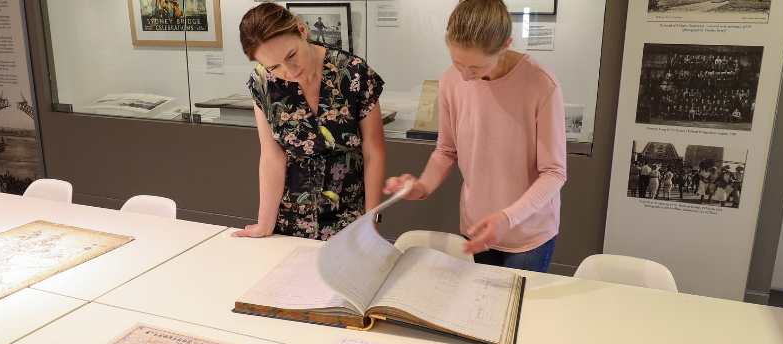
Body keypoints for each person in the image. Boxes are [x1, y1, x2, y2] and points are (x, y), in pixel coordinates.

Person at [382, 0, 566, 273]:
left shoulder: (541, 85)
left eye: (476, 68)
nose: (466, 78)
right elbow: (446, 150)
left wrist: (507, 217)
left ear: (505, 46)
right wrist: (422, 186)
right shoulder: (449, 82)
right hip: (477, 228)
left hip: (528, 234)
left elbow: (554, 172)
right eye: (457, 63)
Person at [231, 2, 387, 240]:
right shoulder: (263, 82)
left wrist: (372, 219)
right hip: (289, 219)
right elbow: (272, 157)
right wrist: (265, 223)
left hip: (349, 216)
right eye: (274, 66)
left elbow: (373, 152)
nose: (290, 71)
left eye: (291, 55)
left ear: (302, 31)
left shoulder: (353, 72)